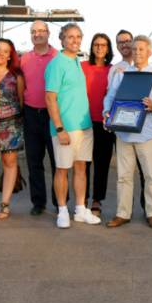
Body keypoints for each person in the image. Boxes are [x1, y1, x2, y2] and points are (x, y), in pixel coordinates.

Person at [104, 35, 152, 230]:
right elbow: (110, 97)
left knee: (151, 176)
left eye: (141, 49)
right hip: (124, 133)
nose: (137, 52)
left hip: (148, 135)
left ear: (149, 52)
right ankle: (122, 213)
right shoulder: (122, 75)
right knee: (123, 176)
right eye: (134, 49)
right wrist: (107, 112)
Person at [45, 23, 101, 229]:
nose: (75, 40)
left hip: (84, 126)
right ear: (62, 39)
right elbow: (50, 98)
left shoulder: (77, 61)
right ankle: (62, 211)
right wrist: (59, 128)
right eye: (70, 37)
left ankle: (80, 210)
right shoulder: (56, 64)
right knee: (62, 170)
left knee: (81, 168)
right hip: (65, 128)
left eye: (78, 36)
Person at [20, 20, 57, 215]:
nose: (37, 34)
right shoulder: (25, 58)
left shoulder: (58, 57)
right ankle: (38, 202)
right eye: (34, 31)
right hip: (31, 114)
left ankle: (60, 202)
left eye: (41, 31)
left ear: (48, 33)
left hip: (53, 115)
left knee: (57, 161)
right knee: (34, 161)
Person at [0, 38, 25, 220]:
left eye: (5, 51)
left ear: (10, 55)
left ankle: (5, 203)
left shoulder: (16, 76)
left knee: (9, 162)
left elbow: (21, 102)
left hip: (11, 124)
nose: (1, 54)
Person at [108, 29, 147, 210]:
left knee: (146, 171)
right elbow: (111, 96)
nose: (124, 45)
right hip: (124, 125)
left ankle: (147, 208)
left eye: (127, 41)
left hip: (145, 128)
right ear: (117, 46)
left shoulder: (149, 68)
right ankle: (125, 209)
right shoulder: (115, 70)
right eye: (120, 42)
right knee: (125, 173)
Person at [82, 33, 115, 216]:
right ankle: (83, 198)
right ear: (92, 47)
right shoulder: (82, 66)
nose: (100, 48)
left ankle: (97, 199)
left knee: (102, 163)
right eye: (96, 44)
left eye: (103, 45)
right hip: (84, 121)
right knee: (83, 163)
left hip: (104, 123)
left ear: (108, 48)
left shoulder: (113, 70)